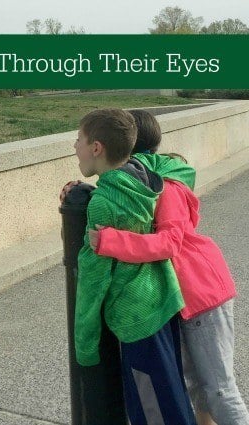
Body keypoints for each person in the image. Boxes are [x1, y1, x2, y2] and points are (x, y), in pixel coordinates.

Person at [88, 109, 249, 425]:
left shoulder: (168, 187)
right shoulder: (138, 181)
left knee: (219, 391)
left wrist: (109, 241)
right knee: (197, 389)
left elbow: (169, 243)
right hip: (181, 300)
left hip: (201, 294)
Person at [68, 108, 196, 424]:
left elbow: (93, 281)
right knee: (171, 399)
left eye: (79, 140)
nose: (74, 147)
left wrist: (84, 346)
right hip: (163, 303)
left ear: (96, 148)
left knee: (150, 409)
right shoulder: (145, 179)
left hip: (136, 318)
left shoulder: (103, 203)